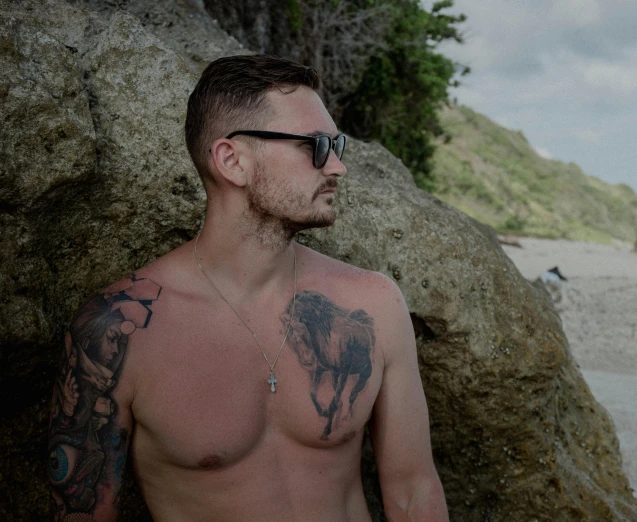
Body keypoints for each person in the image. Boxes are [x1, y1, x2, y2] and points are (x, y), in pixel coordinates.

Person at [48, 54, 448, 521]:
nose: (337, 167)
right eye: (315, 146)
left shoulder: (373, 303)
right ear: (232, 160)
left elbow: (414, 492)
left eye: (336, 144)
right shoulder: (121, 331)